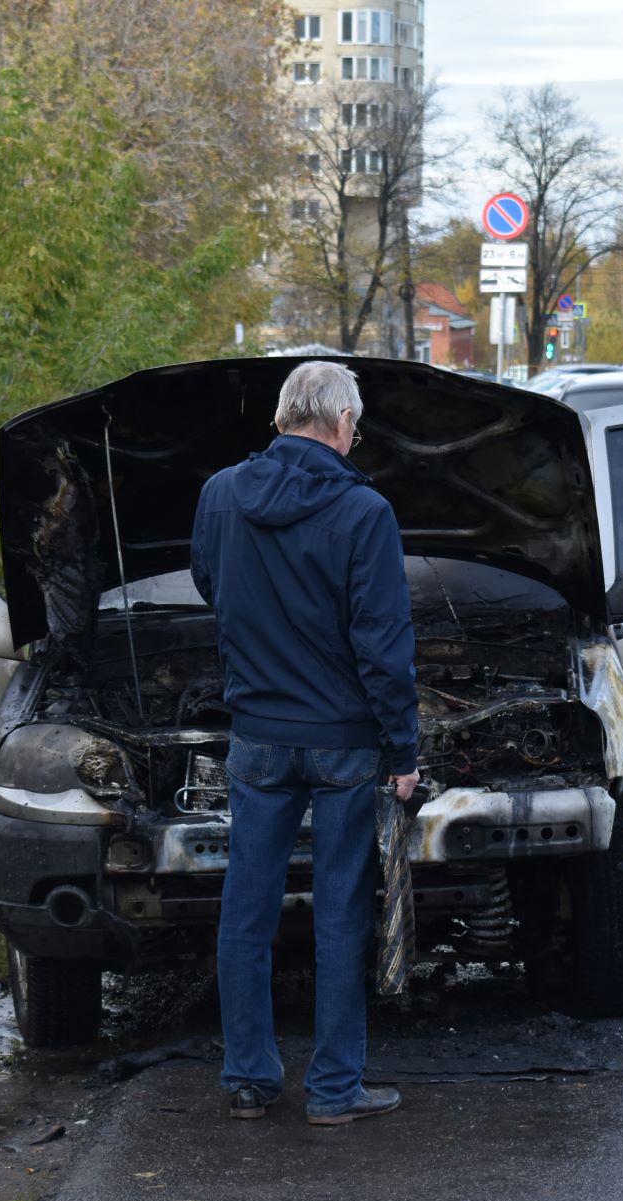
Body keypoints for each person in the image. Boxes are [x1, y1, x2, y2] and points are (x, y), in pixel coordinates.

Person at [189, 361, 420, 1127]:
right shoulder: (365, 513)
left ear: (284, 418)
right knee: (339, 914)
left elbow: (208, 581)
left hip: (256, 738)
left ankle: (250, 1080)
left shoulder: (221, 494)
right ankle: (332, 1090)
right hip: (343, 746)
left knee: (245, 913)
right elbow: (383, 646)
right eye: (357, 425)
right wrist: (404, 751)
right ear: (342, 423)